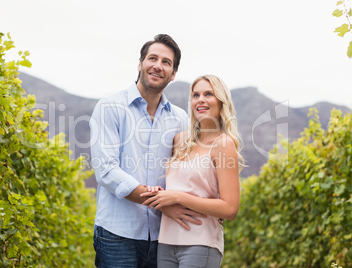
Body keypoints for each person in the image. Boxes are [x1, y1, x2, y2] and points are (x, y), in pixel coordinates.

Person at [90, 34, 205, 268]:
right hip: (116, 235)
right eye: (153, 58)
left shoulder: (180, 118)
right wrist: (161, 203)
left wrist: (210, 201)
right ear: (140, 64)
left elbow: (188, 169)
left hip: (164, 236)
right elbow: (107, 171)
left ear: (173, 75)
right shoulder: (109, 107)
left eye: (166, 62)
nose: (158, 65)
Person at [141, 74, 244, 268]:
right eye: (196, 95)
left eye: (208, 94)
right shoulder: (180, 141)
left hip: (201, 242)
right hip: (166, 242)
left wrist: (178, 198)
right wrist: (161, 196)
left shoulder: (223, 144)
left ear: (221, 101)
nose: (201, 100)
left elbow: (230, 209)